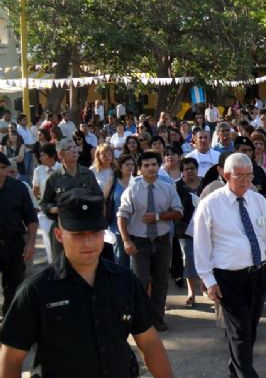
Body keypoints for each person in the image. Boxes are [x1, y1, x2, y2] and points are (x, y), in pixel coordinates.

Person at [0, 188, 174, 378]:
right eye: (78, 234)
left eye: (95, 232)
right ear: (59, 235)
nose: (89, 242)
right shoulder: (35, 291)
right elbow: (11, 359)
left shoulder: (125, 281)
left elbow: (149, 342)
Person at [193, 153, 266, 378]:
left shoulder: (258, 200)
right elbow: (201, 245)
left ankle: (236, 369)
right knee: (240, 331)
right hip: (228, 278)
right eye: (239, 176)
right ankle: (246, 374)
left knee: (249, 329)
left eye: (249, 175)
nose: (245, 181)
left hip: (258, 274)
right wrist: (208, 280)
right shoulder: (210, 204)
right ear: (226, 175)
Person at [117, 150, 183, 331]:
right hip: (139, 242)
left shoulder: (167, 187)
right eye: (146, 165)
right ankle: (139, 320)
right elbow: (121, 216)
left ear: (159, 166)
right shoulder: (132, 190)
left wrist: (158, 216)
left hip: (162, 240)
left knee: (161, 282)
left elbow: (179, 211)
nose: (151, 168)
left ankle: (157, 318)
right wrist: (126, 240)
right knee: (140, 282)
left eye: (154, 164)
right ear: (139, 169)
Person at [40, 138, 103, 260]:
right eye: (70, 148)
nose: (75, 150)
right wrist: (57, 209)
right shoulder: (54, 178)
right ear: (60, 154)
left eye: (75, 147)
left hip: (86, 226)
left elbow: (99, 197)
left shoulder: (88, 174)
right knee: (61, 264)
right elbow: (44, 204)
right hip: (63, 228)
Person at [0, 152, 38, 317]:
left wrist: (30, 243)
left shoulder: (19, 188)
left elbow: (31, 219)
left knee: (14, 291)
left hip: (14, 245)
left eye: (3, 168)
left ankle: (8, 328)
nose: (1, 173)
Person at [174, 157, 203, 308]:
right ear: (182, 172)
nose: (190, 171)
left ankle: (205, 285)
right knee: (189, 259)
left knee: (206, 257)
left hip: (205, 228)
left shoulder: (205, 183)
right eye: (186, 169)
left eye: (192, 168)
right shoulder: (176, 186)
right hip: (184, 229)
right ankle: (191, 292)